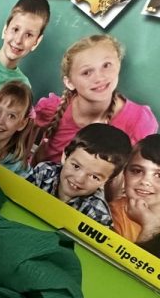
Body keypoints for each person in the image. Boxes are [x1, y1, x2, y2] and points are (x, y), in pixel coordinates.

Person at [34, 34, 157, 163]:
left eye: (106, 65)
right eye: (86, 72)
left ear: (119, 64)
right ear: (69, 82)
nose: (99, 78)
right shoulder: (51, 108)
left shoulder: (138, 120)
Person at [26, 124, 131, 227]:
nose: (79, 179)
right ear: (65, 156)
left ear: (107, 181)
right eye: (76, 166)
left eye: (94, 177)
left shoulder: (97, 214)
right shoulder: (44, 172)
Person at [109, 135, 160, 245]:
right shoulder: (110, 215)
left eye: (158, 175)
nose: (145, 181)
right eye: (137, 171)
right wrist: (150, 228)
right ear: (124, 173)